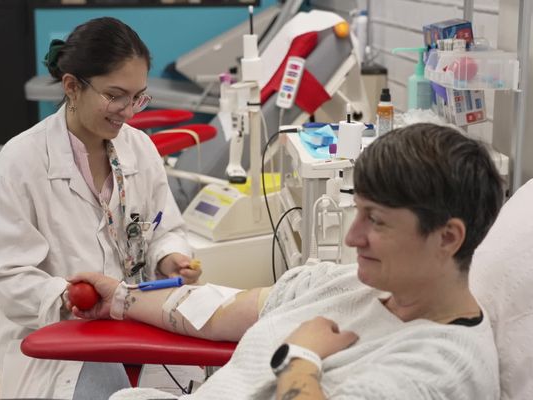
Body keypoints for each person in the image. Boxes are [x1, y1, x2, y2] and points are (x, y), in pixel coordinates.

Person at [69, 123, 504, 400]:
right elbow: (221, 311)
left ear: (447, 237)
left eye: (377, 221)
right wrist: (121, 300)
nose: (353, 237)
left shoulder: (440, 366)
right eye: (359, 212)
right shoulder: (354, 284)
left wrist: (299, 358)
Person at [0, 17, 200, 400]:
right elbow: (2, 273)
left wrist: (170, 257)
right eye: (115, 96)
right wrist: (66, 297)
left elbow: (165, 228)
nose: (129, 111)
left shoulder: (140, 148)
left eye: (138, 97)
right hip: (64, 342)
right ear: (72, 87)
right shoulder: (21, 161)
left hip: (140, 319)